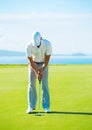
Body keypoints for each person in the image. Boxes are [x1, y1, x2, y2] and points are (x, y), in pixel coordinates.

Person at [26, 31, 52, 113]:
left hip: (44, 62)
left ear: (41, 39)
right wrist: (37, 73)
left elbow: (47, 59)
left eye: (38, 44)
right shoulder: (28, 46)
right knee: (31, 83)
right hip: (33, 63)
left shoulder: (48, 44)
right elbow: (30, 61)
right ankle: (31, 106)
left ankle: (46, 106)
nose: (37, 46)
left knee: (44, 83)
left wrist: (42, 70)